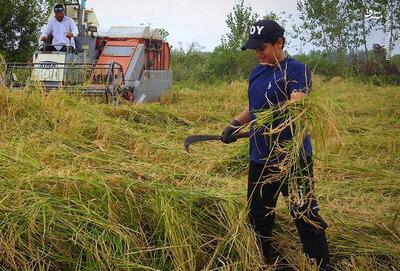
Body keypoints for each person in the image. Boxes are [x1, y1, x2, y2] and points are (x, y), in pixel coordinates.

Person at [221, 20, 331, 270]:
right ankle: (264, 258)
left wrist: (279, 116)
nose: (258, 54)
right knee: (259, 214)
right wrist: (235, 123)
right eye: (254, 49)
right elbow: (255, 105)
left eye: (262, 48)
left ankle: (321, 264)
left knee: (304, 213)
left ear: (279, 43)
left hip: (292, 158)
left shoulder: (295, 70)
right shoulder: (258, 72)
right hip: (260, 157)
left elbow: (297, 103)